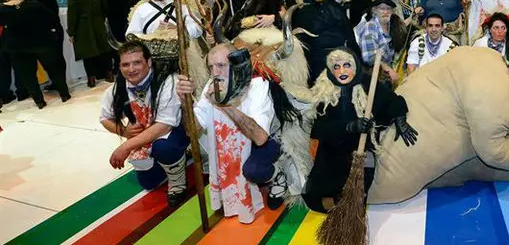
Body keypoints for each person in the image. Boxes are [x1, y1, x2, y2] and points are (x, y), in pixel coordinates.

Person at [176, 44, 287, 222]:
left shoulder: (257, 84)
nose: (215, 72)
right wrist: (185, 103)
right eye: (211, 67)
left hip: (268, 140)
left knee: (253, 171)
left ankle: (278, 172)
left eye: (221, 65)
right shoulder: (212, 85)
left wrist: (224, 106)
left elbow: (260, 138)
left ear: (237, 64)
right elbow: (193, 130)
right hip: (235, 148)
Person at [301, 48, 417, 213]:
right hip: (333, 148)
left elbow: (392, 101)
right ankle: (340, 208)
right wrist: (349, 126)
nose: (342, 71)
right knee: (315, 197)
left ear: (355, 66)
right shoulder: (324, 90)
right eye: (336, 67)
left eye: (346, 65)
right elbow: (318, 128)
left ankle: (353, 203)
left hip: (362, 148)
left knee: (361, 188)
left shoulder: (367, 84)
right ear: (330, 70)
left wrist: (400, 120)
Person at [99, 40, 189, 207]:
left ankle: (178, 182)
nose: (131, 69)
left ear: (148, 62)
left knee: (164, 149)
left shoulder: (167, 81)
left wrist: (125, 146)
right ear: (119, 66)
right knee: (149, 183)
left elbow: (165, 125)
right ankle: (169, 163)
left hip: (170, 134)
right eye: (125, 64)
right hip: (141, 140)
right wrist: (124, 131)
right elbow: (104, 118)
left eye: (137, 63)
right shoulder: (116, 88)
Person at [0, 0, 70, 109]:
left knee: (28, 75)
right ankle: (64, 94)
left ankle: (39, 101)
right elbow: (52, 19)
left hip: (17, 47)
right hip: (42, 42)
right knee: (54, 69)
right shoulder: (35, 5)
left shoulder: (2, 10)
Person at [293, 0, 361, 84]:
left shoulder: (337, 9)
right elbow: (300, 45)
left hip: (341, 59)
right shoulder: (302, 14)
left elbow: (350, 37)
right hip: (316, 63)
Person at [68, 0, 113, 87]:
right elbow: (105, 7)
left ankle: (91, 80)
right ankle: (109, 75)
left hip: (83, 28)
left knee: (87, 54)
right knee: (104, 51)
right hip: (98, 24)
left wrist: (71, 32)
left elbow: (72, 16)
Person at [354, 0, 409, 85]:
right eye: (382, 8)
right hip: (373, 75)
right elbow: (369, 56)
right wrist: (389, 70)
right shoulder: (370, 26)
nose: (385, 12)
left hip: (387, 73)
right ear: (374, 11)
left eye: (388, 9)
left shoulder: (393, 26)